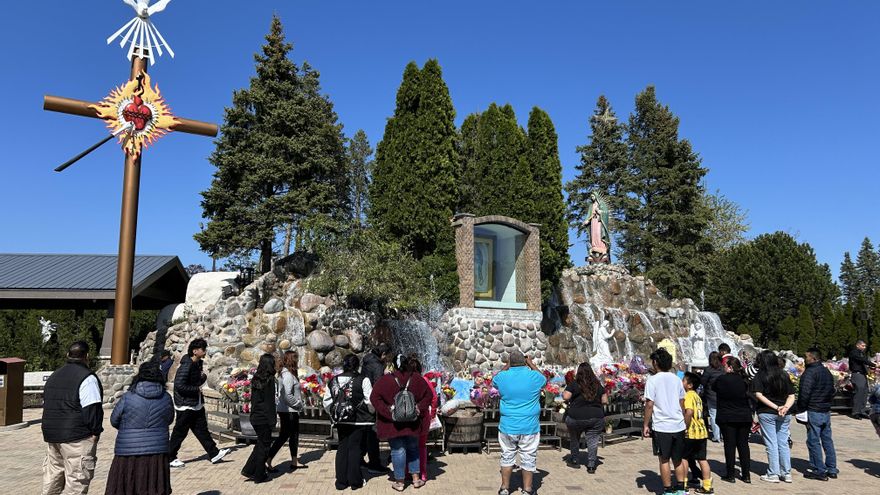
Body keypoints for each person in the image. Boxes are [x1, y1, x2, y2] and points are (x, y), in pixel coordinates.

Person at [41, 341, 104, 495]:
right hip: (77, 437)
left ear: (67, 355)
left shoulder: (55, 375)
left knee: (52, 479)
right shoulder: (87, 378)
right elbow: (92, 409)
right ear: (87, 356)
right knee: (76, 482)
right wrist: (95, 432)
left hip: (53, 436)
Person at [105, 361, 174, 495]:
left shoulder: (128, 397)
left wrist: (128, 429)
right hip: (157, 450)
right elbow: (169, 419)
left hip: (128, 450)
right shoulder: (166, 397)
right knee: (154, 486)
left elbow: (114, 420)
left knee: (126, 487)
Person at [371, 354, 432, 492]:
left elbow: (374, 397)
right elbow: (429, 395)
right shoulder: (417, 378)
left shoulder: (385, 380)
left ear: (394, 365)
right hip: (413, 422)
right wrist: (418, 408)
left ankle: (399, 482)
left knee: (397, 450)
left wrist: (388, 412)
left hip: (393, 424)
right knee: (413, 448)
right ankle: (416, 479)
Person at [492, 350, 548, 495]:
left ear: (510, 362)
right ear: (524, 362)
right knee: (528, 456)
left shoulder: (502, 377)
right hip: (529, 425)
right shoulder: (534, 376)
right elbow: (544, 380)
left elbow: (494, 380)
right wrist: (531, 364)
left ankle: (504, 488)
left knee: (507, 455)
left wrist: (507, 365)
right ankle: (527, 489)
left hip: (508, 424)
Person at [169, 338, 230, 468]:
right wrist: (196, 389)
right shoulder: (186, 365)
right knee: (180, 432)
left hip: (195, 404)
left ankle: (214, 453)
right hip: (186, 405)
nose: (205, 352)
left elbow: (196, 381)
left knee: (202, 430)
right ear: (195, 351)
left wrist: (203, 377)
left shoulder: (197, 364)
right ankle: (170, 457)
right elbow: (179, 386)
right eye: (203, 349)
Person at [323, 354, 375, 490]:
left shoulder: (333, 380)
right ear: (357, 366)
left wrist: (335, 414)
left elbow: (327, 402)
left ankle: (341, 482)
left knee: (342, 447)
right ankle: (355, 481)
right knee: (355, 448)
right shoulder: (363, 379)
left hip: (340, 420)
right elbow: (370, 400)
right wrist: (371, 412)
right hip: (358, 419)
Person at [643, 348, 687, 495]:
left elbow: (649, 404)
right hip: (678, 424)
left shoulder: (652, 380)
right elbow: (682, 402)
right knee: (678, 459)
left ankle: (668, 490)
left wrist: (645, 424)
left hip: (662, 426)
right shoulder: (677, 379)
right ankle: (681, 489)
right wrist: (683, 419)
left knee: (664, 459)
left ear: (656, 362)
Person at [751, 350, 795, 483]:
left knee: (771, 443)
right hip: (784, 413)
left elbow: (758, 394)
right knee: (783, 443)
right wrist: (785, 407)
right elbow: (791, 395)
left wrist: (776, 407)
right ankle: (786, 472)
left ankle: (773, 473)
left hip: (767, 412)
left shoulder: (760, 375)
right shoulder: (784, 374)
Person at [797, 348, 838, 481]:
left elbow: (804, 393)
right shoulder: (826, 371)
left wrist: (800, 409)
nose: (804, 359)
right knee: (827, 440)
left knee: (813, 441)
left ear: (813, 358)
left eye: (806, 357)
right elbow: (832, 390)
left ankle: (819, 470)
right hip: (825, 410)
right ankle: (832, 468)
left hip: (814, 409)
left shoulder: (810, 373)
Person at [561, 362, 606, 473]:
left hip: (576, 417)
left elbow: (566, 396)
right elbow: (605, 400)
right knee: (592, 440)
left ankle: (575, 460)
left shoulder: (574, 384)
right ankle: (591, 465)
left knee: (574, 438)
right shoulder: (597, 384)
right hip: (596, 417)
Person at [713, 356, 751, 484]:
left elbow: (714, 388)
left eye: (725, 366)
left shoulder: (722, 379)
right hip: (744, 415)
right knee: (743, 445)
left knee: (730, 445)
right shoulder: (744, 379)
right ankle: (746, 474)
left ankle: (730, 474)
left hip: (727, 416)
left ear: (729, 367)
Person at [241, 353, 277, 483]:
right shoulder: (269, 380)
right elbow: (269, 402)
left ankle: (249, 469)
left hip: (255, 416)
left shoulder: (256, 378)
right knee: (264, 447)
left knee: (260, 444)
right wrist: (273, 420)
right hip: (265, 418)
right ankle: (259, 475)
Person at [267, 350, 305, 472]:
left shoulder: (285, 374)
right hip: (289, 411)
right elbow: (287, 395)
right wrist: (298, 405)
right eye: (296, 358)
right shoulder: (288, 375)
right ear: (292, 360)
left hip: (287, 410)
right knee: (285, 436)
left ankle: (294, 461)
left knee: (292, 435)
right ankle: (268, 458)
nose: (298, 360)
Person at [360, 342, 392, 473]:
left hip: (363, 399)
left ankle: (360, 459)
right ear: (383, 354)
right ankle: (374, 463)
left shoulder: (366, 360)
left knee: (365, 431)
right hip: (372, 402)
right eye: (387, 356)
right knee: (373, 433)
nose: (387, 359)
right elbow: (378, 386)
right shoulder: (378, 365)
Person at [407, 355, 438, 482]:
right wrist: (433, 413)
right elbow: (434, 398)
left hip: (407, 418)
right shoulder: (425, 380)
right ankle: (423, 474)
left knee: (408, 446)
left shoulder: (404, 381)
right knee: (421, 446)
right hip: (423, 417)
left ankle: (408, 473)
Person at [682, 372, 713, 494]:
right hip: (702, 432)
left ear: (689, 385)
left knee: (684, 458)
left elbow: (689, 412)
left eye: (683, 380)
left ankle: (683, 484)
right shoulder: (697, 396)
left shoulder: (688, 396)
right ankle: (707, 486)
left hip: (691, 432)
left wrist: (685, 426)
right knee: (702, 459)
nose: (682, 382)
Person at [848, 340, 877, 419]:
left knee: (864, 393)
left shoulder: (862, 353)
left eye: (865, 346)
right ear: (858, 345)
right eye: (863, 346)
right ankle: (856, 412)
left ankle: (862, 411)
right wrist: (874, 364)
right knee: (859, 393)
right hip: (857, 374)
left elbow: (864, 362)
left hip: (863, 375)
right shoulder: (854, 353)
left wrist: (871, 366)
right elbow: (862, 360)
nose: (864, 347)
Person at [700, 352, 723, 443]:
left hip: (711, 396)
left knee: (713, 415)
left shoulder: (708, 369)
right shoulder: (723, 369)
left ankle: (716, 436)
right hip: (722, 396)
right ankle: (723, 435)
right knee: (722, 415)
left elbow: (703, 382)